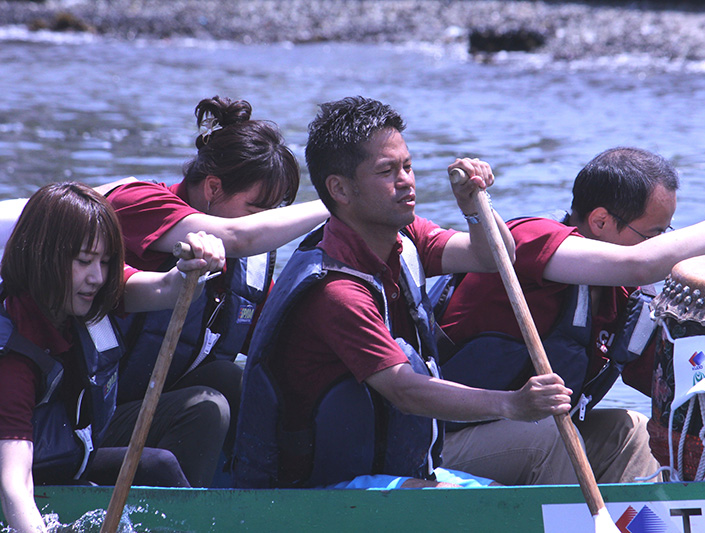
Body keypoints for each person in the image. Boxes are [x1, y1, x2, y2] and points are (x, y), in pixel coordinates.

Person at [232, 96, 573, 490]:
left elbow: (494, 256)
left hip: (397, 475)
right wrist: (512, 404)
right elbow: (404, 390)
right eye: (387, 171)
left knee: (497, 496)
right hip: (323, 493)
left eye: (407, 166)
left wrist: (474, 207)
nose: (406, 180)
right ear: (339, 189)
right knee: (473, 510)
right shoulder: (335, 292)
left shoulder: (404, 236)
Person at [437, 147, 705, 485]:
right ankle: (576, 518)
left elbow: (672, 384)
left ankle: (651, 520)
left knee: (633, 431)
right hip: (445, 440)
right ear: (600, 221)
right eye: (654, 234)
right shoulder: (526, 240)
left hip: (532, 433)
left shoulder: (625, 297)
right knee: (551, 436)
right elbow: (640, 264)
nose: (661, 244)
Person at [104, 96, 330, 469]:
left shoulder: (247, 261)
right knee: (208, 408)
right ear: (212, 188)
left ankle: (282, 486)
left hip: (154, 403)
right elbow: (238, 236)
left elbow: (283, 337)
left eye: (274, 211)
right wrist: (339, 202)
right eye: (257, 209)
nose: (267, 222)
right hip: (93, 417)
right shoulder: (137, 202)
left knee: (233, 379)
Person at [0, 182, 226, 533]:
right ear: (42, 257)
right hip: (26, 474)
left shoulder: (86, 295)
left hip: (70, 457)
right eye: (84, 261)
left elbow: (168, 288)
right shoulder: (14, 359)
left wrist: (194, 266)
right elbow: (14, 486)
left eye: (105, 262)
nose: (98, 277)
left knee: (159, 466)